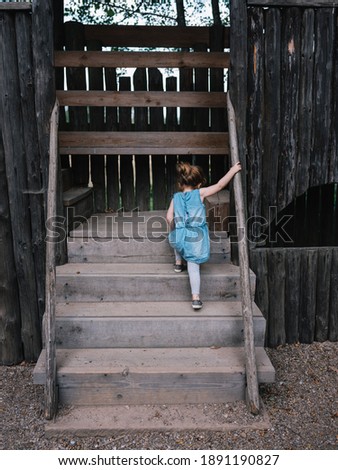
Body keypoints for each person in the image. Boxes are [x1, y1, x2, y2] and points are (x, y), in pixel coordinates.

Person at [166, 161, 242, 310]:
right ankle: (196, 298)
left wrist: (176, 226)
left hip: (181, 235)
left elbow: (169, 218)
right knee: (193, 268)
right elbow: (220, 185)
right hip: (196, 237)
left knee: (176, 235)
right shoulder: (200, 193)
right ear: (198, 184)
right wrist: (233, 170)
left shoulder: (175, 198)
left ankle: (178, 262)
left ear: (180, 184)